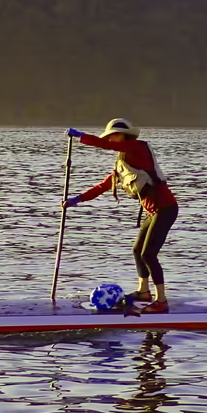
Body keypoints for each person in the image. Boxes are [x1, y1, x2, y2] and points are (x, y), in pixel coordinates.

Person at [64, 118, 179, 313]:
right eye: (109, 135)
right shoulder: (121, 164)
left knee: (148, 254)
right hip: (153, 212)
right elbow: (102, 186)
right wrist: (76, 199)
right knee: (137, 251)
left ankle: (162, 301)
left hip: (166, 208)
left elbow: (103, 145)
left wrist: (81, 136)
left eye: (114, 135)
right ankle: (144, 292)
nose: (111, 139)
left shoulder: (138, 147)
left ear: (124, 135)